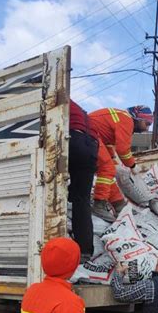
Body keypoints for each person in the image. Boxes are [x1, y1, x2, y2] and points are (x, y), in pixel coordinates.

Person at [89, 105, 153, 221]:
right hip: (89, 134)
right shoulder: (127, 120)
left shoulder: (121, 118)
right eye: (147, 123)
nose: (147, 129)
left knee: (109, 171)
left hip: (92, 135)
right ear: (138, 119)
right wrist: (133, 165)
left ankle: (118, 204)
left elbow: (107, 141)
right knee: (107, 169)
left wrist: (112, 157)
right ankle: (99, 204)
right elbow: (123, 150)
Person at [68, 100, 99, 260]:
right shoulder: (82, 112)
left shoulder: (57, 95)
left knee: (50, 185)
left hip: (74, 140)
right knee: (82, 200)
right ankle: (85, 250)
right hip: (92, 146)